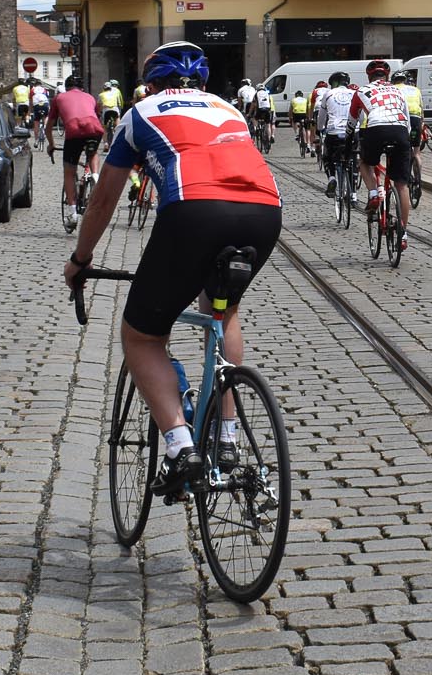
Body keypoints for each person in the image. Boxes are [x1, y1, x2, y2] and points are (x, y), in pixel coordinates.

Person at [64, 41, 280, 489]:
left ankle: (181, 447)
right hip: (264, 211)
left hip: (194, 211)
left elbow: (103, 200)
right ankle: (227, 436)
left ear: (151, 84)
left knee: (141, 336)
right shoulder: (229, 109)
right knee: (224, 311)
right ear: (202, 82)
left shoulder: (140, 113)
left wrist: (80, 259)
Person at [351, 59, 416, 251]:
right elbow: (407, 118)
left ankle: (373, 193)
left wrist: (348, 137)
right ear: (387, 76)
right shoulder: (398, 91)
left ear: (369, 77)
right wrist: (406, 141)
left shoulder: (362, 91)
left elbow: (352, 120)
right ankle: (403, 233)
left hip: (376, 129)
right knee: (401, 185)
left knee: (365, 162)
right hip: (400, 131)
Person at [47, 75, 105, 210]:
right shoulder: (90, 97)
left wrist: (51, 144)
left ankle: (72, 211)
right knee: (93, 153)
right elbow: (96, 115)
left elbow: (49, 126)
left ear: (66, 88)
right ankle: (95, 176)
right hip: (94, 128)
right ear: (82, 88)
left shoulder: (59, 98)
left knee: (69, 171)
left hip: (74, 130)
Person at [317, 70, 358, 196]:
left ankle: (332, 178)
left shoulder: (328, 94)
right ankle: (353, 194)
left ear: (334, 83)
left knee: (327, 156)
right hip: (352, 132)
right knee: (352, 158)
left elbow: (321, 116)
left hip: (334, 131)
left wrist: (319, 128)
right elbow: (361, 115)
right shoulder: (354, 93)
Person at [395, 68, 426, 191]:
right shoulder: (415, 90)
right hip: (416, 119)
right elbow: (422, 110)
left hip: (403, 120)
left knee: (401, 149)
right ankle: (418, 180)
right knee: (417, 153)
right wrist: (422, 124)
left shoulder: (393, 89)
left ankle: (404, 175)